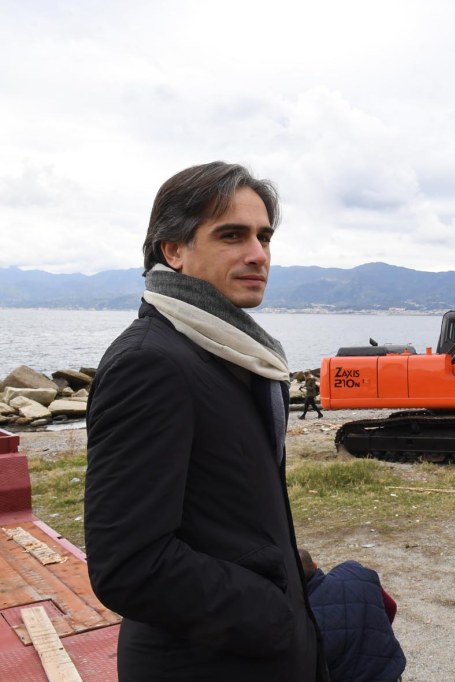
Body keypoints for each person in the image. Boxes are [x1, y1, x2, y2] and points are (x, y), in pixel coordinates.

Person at [84, 162, 326, 681]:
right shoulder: (150, 363)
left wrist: (290, 574)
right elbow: (129, 566)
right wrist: (273, 613)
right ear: (173, 249)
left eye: (264, 236)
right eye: (232, 235)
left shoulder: (230, 354)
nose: (258, 254)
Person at [299, 549, 406, 682]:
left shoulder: (297, 617)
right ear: (315, 565)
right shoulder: (355, 572)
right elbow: (391, 606)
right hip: (390, 671)